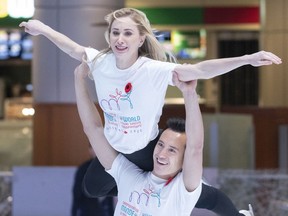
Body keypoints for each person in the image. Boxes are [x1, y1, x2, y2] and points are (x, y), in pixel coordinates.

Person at [19, 7, 273, 215]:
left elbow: (199, 71)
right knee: (93, 188)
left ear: (140, 39)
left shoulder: (153, 69)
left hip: (144, 147)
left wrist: (247, 59)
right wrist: (42, 29)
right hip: (115, 146)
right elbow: (73, 48)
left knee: (194, 194)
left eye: (128, 33)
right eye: (115, 32)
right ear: (108, 36)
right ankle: (136, 190)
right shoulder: (100, 62)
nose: (120, 39)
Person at [74, 62, 254, 216]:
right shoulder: (128, 175)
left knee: (210, 196)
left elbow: (195, 147)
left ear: (184, 161)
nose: (161, 153)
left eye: (172, 150)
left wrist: (189, 93)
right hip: (135, 158)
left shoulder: (182, 191)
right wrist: (78, 79)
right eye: (160, 144)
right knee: (92, 187)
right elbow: (94, 129)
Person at [71, 144, 114, 216]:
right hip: (88, 210)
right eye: (94, 148)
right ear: (90, 150)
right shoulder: (83, 168)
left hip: (106, 209)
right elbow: (77, 192)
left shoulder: (110, 166)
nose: (97, 150)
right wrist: (74, 211)